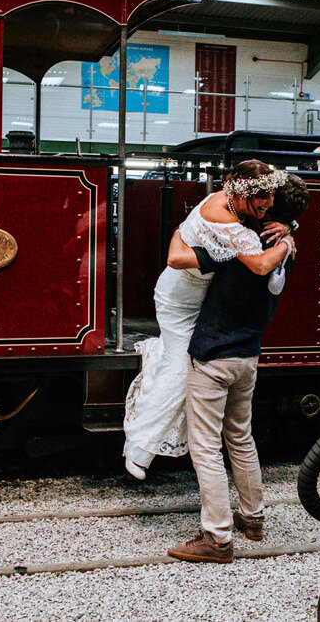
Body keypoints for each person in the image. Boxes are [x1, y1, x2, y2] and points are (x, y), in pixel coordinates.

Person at [165, 175, 310, 563]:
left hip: (214, 356)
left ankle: (217, 537)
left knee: (206, 447)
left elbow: (177, 258)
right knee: (241, 439)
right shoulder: (286, 248)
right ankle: (253, 518)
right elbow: (279, 240)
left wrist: (185, 226)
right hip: (248, 356)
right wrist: (291, 231)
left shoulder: (236, 245)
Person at [122, 161, 293, 480]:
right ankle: (138, 448)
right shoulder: (226, 220)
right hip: (178, 300)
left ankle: (145, 439)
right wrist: (287, 242)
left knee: (181, 362)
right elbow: (259, 266)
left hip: (198, 297)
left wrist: (288, 225)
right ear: (244, 195)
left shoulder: (232, 204)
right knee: (180, 368)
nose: (270, 203)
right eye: (264, 197)